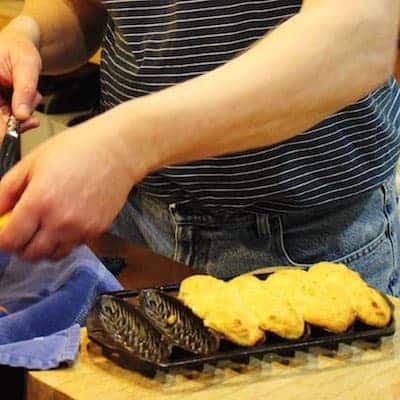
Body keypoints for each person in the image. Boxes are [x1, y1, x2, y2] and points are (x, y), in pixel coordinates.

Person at [0, 0, 399, 294]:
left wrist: (121, 148)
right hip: (138, 230)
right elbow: (90, 8)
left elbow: (359, 36)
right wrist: (28, 34)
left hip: (307, 246)